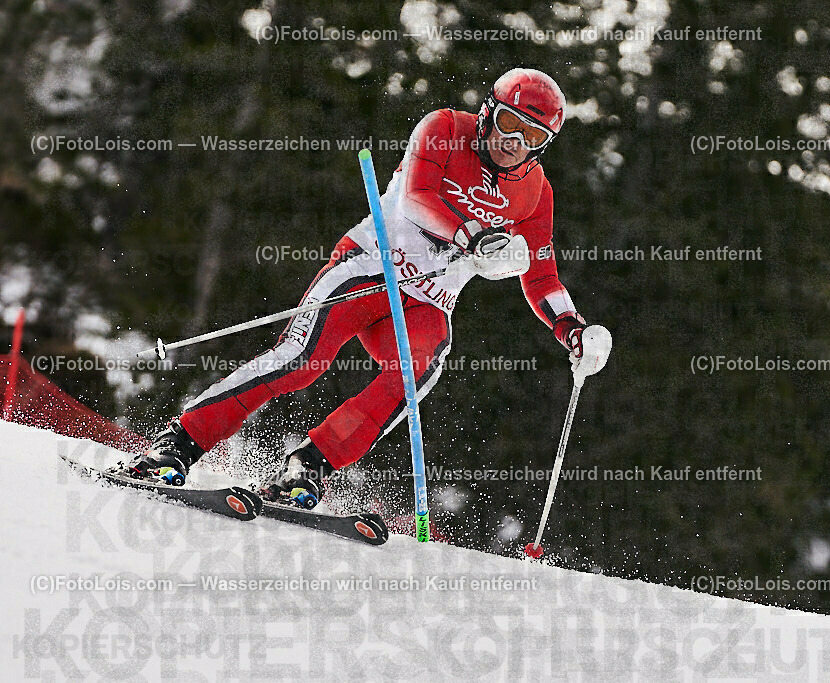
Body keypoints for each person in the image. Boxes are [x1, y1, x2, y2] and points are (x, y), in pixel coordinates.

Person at [129, 68, 612, 508]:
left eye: (532, 136)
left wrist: (570, 328)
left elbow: (542, 274)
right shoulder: (444, 128)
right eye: (509, 123)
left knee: (417, 372)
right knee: (302, 362)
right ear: (489, 111)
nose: (515, 142)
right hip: (371, 266)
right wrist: (472, 236)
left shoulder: (536, 192)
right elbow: (418, 196)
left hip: (429, 298)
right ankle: (178, 443)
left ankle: (308, 465)